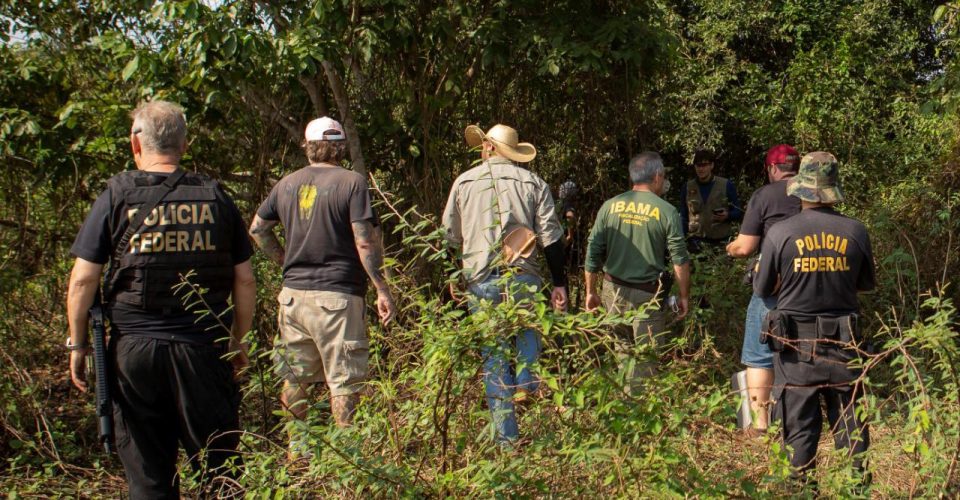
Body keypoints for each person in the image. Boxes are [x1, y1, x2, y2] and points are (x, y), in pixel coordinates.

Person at [66, 100, 256, 499]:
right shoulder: (215, 197)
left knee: (149, 475)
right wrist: (237, 341)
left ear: (136, 145)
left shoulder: (116, 196)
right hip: (203, 351)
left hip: (133, 355)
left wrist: (78, 343)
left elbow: (83, 280)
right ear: (184, 145)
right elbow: (245, 281)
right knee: (219, 469)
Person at [249, 117, 396, 435]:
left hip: (292, 299)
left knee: (295, 380)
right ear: (340, 147)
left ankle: (296, 457)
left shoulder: (286, 183)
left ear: (308, 146)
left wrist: (284, 260)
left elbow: (258, 229)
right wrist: (381, 288)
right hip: (337, 298)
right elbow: (364, 239)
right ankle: (347, 461)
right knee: (344, 382)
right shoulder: (352, 182)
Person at [441, 123, 567, 444]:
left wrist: (454, 276)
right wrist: (560, 283)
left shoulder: (464, 182)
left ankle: (507, 441)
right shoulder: (533, 182)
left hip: (480, 280)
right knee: (527, 330)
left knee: (494, 356)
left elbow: (448, 239)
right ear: (511, 152)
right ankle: (527, 381)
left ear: (488, 148)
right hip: (523, 275)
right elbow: (552, 239)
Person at [753, 152, 875, 483]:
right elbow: (864, 285)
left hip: (796, 354)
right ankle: (855, 490)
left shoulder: (780, 233)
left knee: (798, 439)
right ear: (833, 188)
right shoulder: (855, 231)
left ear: (801, 188)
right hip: (844, 350)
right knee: (852, 435)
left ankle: (801, 493)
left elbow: (763, 288)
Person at [584, 151, 691, 393]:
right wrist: (684, 295)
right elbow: (679, 260)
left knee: (622, 352)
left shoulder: (609, 206)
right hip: (647, 296)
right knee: (647, 358)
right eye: (663, 177)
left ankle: (625, 407)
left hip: (612, 292)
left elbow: (592, 251)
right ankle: (639, 416)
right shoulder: (666, 211)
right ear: (656, 176)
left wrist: (590, 291)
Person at [725, 144, 802, 435]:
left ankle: (759, 426)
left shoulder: (764, 196)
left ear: (772, 169)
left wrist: (730, 248)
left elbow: (745, 247)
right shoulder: (813, 194)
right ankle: (798, 419)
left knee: (759, 353)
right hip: (808, 286)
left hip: (772, 287)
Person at [679, 149, 743, 252]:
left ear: (711, 165)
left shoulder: (726, 185)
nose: (701, 168)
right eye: (698, 165)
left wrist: (728, 215)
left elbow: (738, 211)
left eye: (704, 165)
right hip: (695, 242)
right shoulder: (687, 187)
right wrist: (682, 240)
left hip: (720, 242)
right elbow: (683, 216)